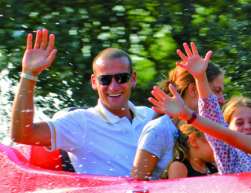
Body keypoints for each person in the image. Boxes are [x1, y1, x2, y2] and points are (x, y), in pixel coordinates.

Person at [10, 29, 155, 177]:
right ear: (94, 82)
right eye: (105, 79)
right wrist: (29, 74)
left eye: (122, 78)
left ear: (133, 78)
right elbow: (22, 135)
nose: (113, 86)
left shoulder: (151, 116)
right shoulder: (80, 123)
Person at [131, 60, 224, 180]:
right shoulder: (159, 130)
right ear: (194, 90)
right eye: (216, 91)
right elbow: (137, 184)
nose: (222, 100)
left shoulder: (213, 129)